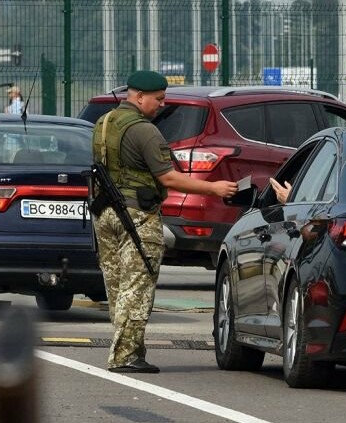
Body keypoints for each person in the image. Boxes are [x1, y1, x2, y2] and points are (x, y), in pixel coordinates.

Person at [92, 70, 237, 373]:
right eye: (158, 99)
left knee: (117, 287)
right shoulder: (144, 130)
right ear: (140, 97)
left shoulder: (103, 123)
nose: (161, 105)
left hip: (105, 214)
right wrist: (214, 188)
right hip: (136, 215)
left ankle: (130, 350)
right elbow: (168, 177)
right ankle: (125, 357)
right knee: (138, 284)